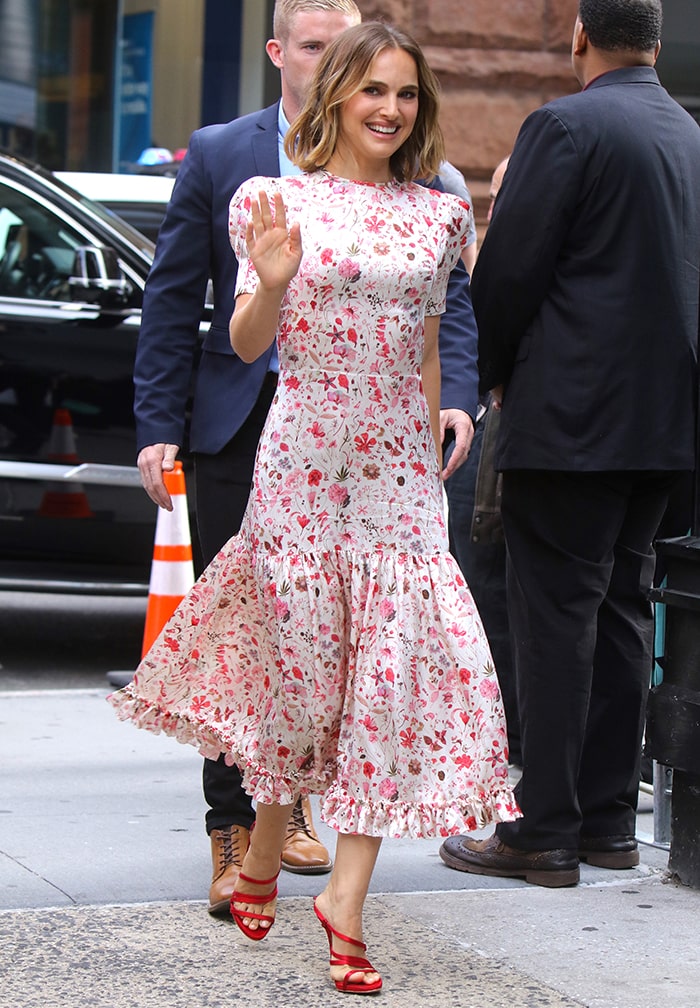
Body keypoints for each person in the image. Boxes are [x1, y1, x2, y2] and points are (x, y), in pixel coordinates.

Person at [111, 21, 517, 994]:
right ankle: (259, 843)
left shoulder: (439, 213)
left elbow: (429, 342)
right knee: (299, 676)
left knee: (385, 678)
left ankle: (345, 898)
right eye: (373, 90)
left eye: (407, 95)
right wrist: (276, 279)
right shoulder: (273, 199)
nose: (389, 110)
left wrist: (434, 441)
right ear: (335, 91)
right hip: (299, 463)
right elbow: (249, 341)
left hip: (394, 474)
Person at [439, 0, 700, 888]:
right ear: (657, 45)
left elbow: (507, 271)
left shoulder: (564, 124)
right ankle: (606, 823)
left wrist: (492, 377)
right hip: (666, 429)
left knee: (556, 618)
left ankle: (543, 829)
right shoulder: (690, 137)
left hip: (570, 423)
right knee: (624, 606)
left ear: (578, 36)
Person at [444, 155, 522, 766]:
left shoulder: (512, 268)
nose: (493, 215)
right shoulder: (478, 262)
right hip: (474, 431)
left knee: (493, 585)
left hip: (503, 436)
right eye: (489, 202)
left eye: (503, 199)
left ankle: (508, 734)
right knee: (478, 580)